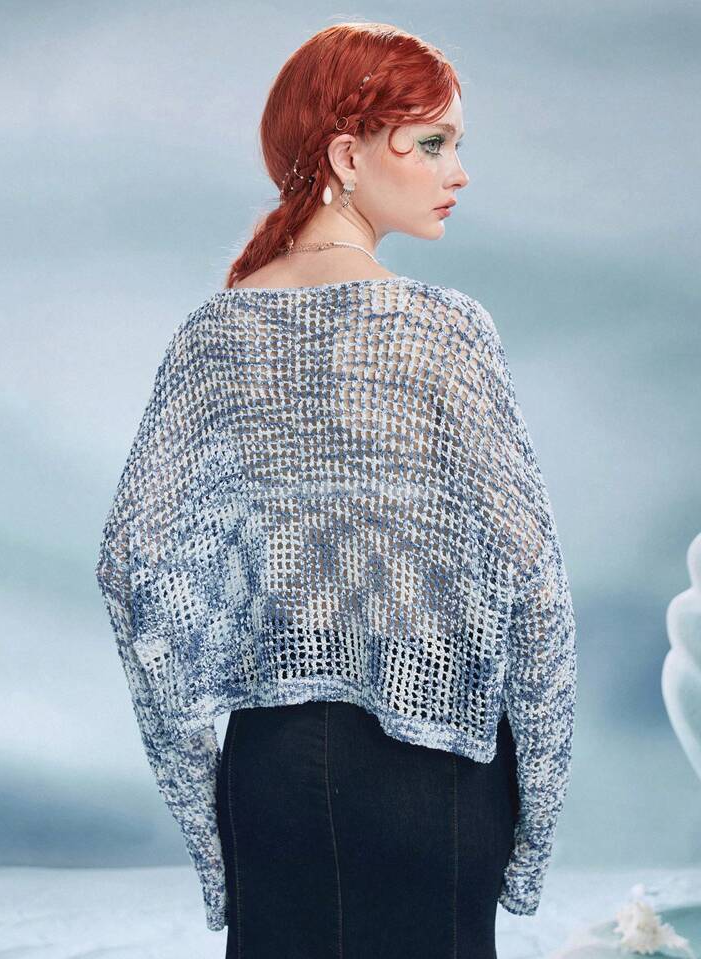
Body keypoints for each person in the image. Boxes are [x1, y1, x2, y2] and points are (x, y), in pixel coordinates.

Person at [95, 20, 577, 959]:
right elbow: (535, 579)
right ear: (347, 156)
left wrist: (203, 808)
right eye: (431, 143)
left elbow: (131, 565)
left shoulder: (212, 337)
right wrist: (536, 823)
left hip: (269, 776)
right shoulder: (444, 331)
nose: (458, 171)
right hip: (437, 775)